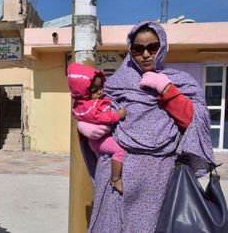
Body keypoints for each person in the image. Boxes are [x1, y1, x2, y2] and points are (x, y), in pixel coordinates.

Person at [78, 21, 215, 233]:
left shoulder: (180, 82)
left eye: (152, 47)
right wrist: (85, 125)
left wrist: (166, 89)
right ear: (130, 51)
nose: (145, 54)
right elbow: (92, 110)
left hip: (159, 175)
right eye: (137, 49)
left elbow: (193, 120)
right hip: (117, 173)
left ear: (162, 48)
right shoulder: (116, 84)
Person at [67, 63, 126, 193]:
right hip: (98, 141)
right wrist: (118, 115)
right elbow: (102, 118)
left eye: (101, 87)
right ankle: (115, 179)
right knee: (120, 151)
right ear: (83, 92)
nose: (100, 92)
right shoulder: (88, 107)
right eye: (95, 90)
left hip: (102, 139)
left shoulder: (88, 102)